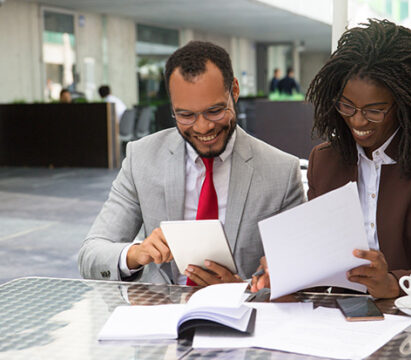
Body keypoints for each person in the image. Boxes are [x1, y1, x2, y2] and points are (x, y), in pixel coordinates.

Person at [253, 19, 411, 300]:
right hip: (354, 321)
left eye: (374, 110)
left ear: (406, 104)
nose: (357, 120)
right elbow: (322, 263)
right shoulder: (325, 161)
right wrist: (286, 272)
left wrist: (393, 284)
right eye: (347, 106)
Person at [78, 41, 305, 286]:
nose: (203, 126)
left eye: (215, 110)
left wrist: (241, 289)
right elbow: (91, 255)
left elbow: (298, 269)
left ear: (235, 91)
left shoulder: (281, 172)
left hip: (243, 318)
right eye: (186, 115)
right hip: (159, 315)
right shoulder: (141, 158)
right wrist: (135, 253)